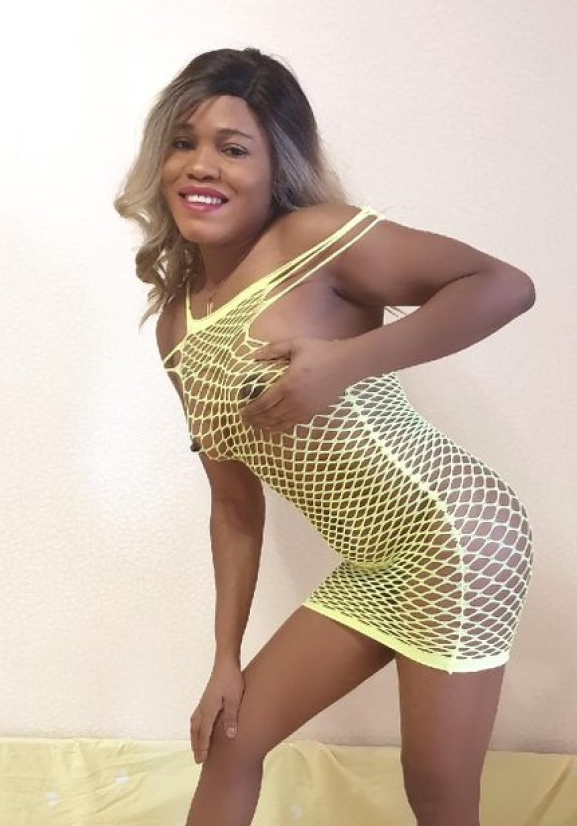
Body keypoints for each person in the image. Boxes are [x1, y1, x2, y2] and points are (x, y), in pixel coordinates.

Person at [114, 47, 535, 826]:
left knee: (436, 785)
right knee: (232, 741)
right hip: (374, 561)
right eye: (182, 142)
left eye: (232, 148)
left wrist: (345, 362)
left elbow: (503, 286)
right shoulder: (177, 328)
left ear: (275, 164)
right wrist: (224, 660)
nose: (201, 165)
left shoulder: (315, 238)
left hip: (455, 531)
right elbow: (233, 509)